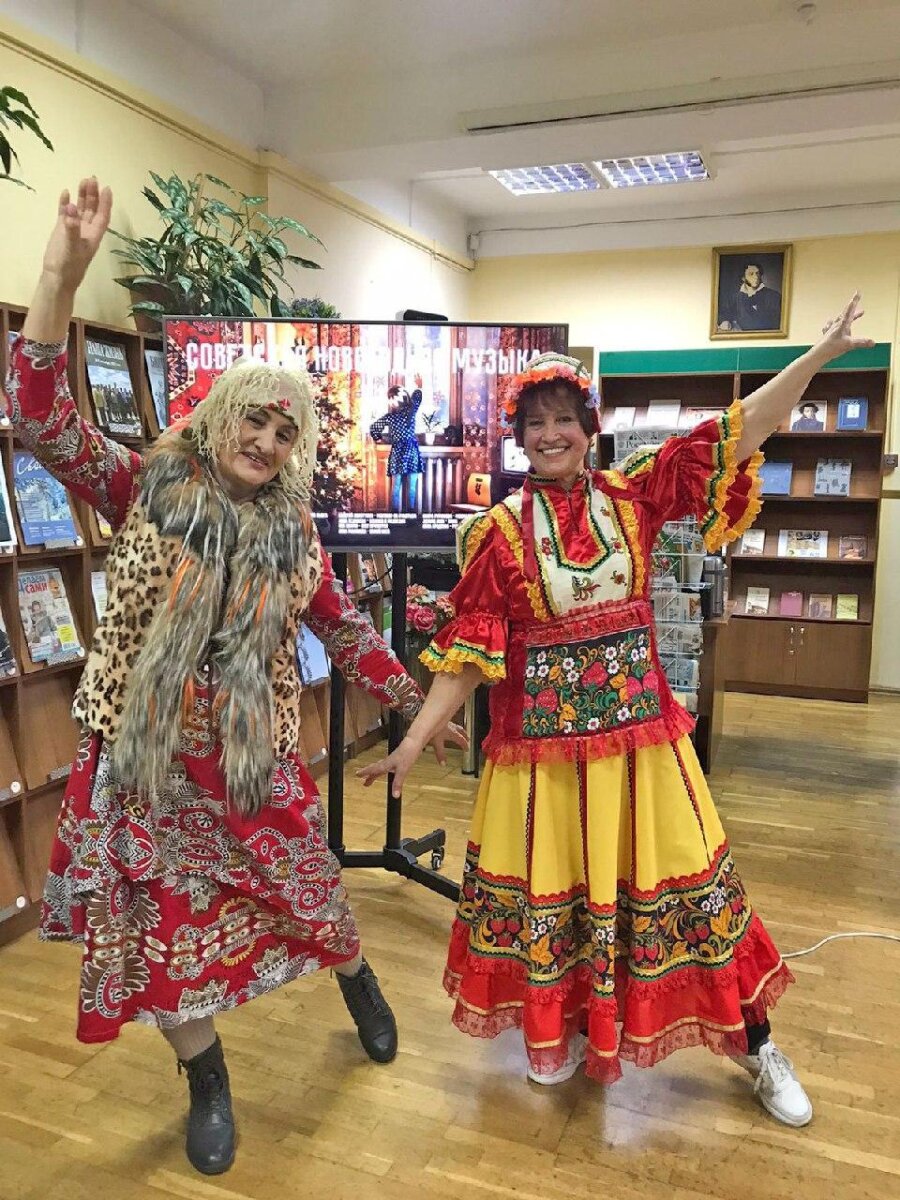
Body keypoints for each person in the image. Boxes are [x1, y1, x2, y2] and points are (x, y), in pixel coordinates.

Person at [4, 178, 466, 1177]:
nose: (265, 442)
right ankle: (206, 1079)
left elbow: (343, 625)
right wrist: (58, 273)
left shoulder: (295, 532)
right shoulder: (145, 486)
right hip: (145, 760)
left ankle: (356, 976)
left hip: (251, 760)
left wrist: (413, 699)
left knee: (310, 892)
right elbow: (38, 416)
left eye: (285, 432)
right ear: (218, 419)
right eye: (253, 421)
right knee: (156, 933)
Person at [360, 300, 872, 1128]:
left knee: (696, 893)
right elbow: (470, 656)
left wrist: (818, 355)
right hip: (542, 768)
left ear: (589, 428)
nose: (550, 434)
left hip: (642, 752)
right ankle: (561, 1030)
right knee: (557, 905)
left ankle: (757, 1045)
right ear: (519, 437)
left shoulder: (636, 495)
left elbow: (738, 433)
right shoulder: (498, 534)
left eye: (564, 419)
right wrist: (414, 741)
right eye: (535, 423)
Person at [369, 375, 425, 512]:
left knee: (396, 486)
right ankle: (411, 514)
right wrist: (419, 386)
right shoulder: (410, 412)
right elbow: (417, 398)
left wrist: (379, 439)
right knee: (411, 487)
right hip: (411, 451)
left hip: (398, 452)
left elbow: (374, 428)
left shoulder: (390, 417)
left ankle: (395, 513)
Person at [717, 261, 782, 332]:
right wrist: (725, 321)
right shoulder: (735, 298)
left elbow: (777, 323)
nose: (756, 277)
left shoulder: (774, 296)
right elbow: (724, 313)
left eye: (757, 273)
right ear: (743, 278)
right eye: (751, 274)